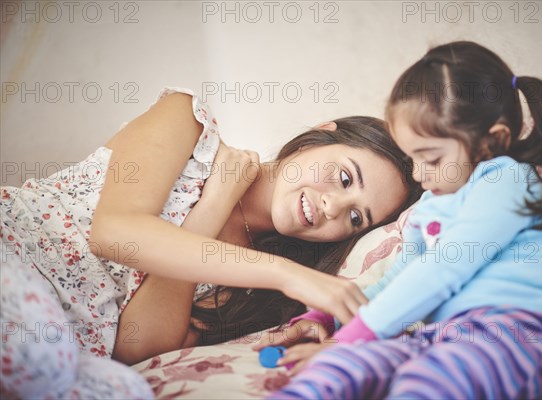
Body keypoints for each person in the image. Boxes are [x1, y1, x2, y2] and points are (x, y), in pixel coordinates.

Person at [0, 87, 420, 398]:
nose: (333, 207)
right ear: (318, 136)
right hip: (14, 256)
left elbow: (137, 347)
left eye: (354, 218)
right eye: (345, 178)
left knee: (121, 389)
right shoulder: (189, 125)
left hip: (57, 350)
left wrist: (213, 207)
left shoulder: (253, 290)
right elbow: (114, 233)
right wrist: (287, 275)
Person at [265, 41, 542, 399]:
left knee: (426, 382)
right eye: (411, 157)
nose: (418, 174)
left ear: (491, 143)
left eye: (429, 159)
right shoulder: (432, 204)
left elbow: (443, 271)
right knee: (340, 368)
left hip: (523, 336)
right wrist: (328, 319)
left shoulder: (505, 180)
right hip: (444, 337)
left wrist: (347, 339)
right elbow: (402, 277)